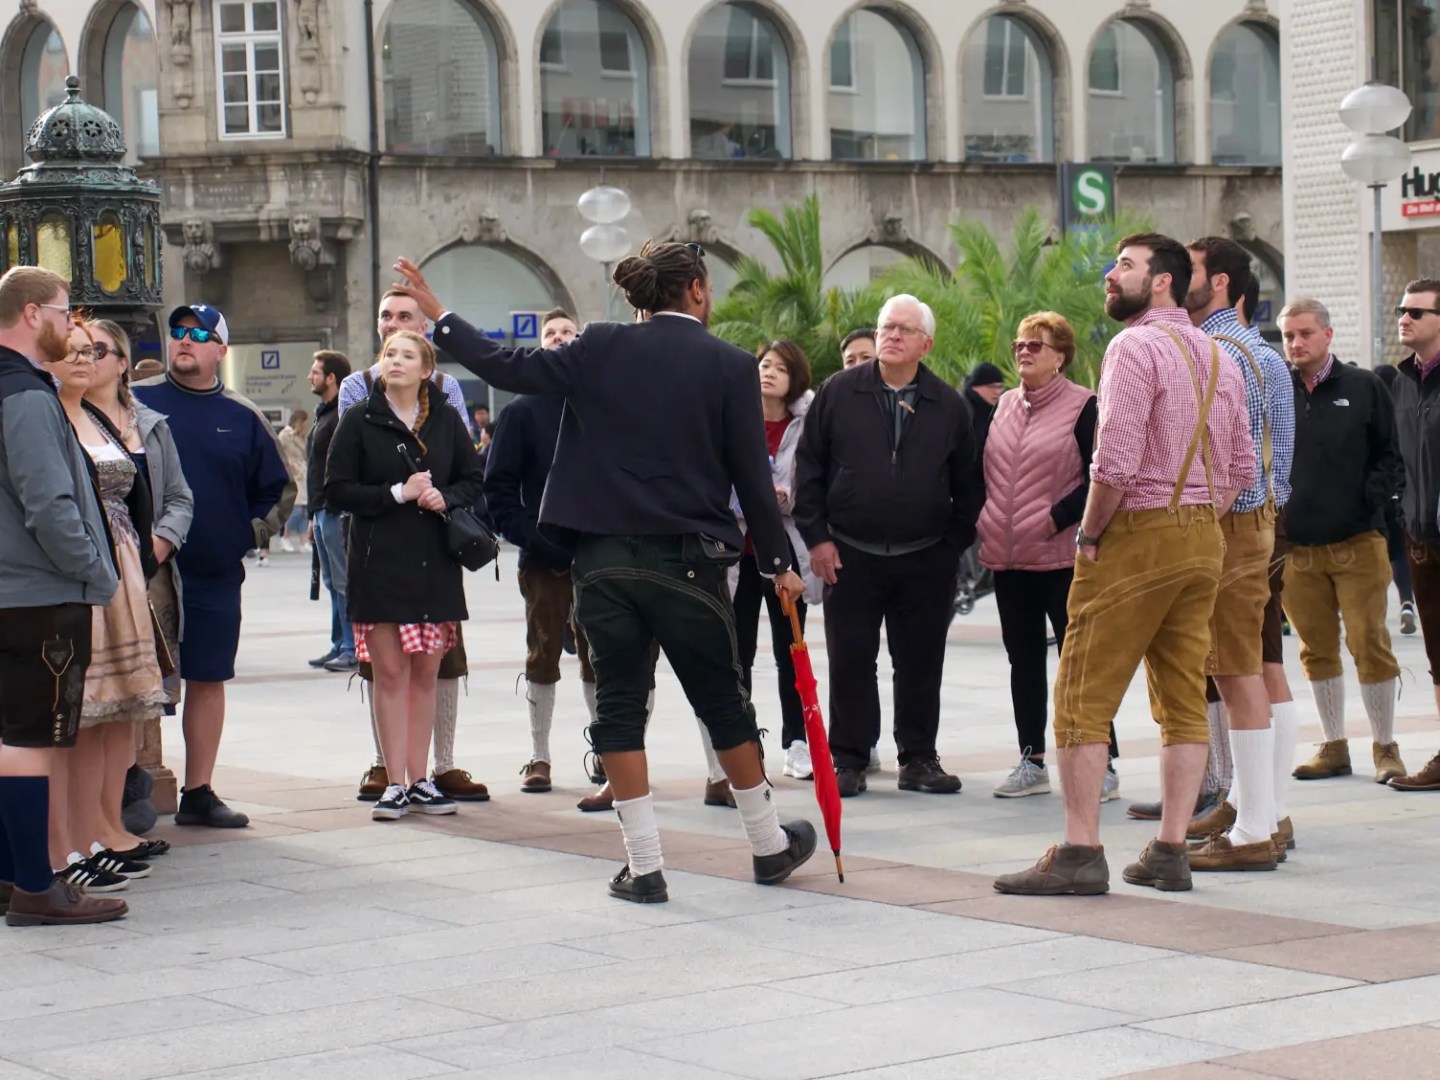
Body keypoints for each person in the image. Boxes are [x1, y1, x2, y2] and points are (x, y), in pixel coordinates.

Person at [392, 240, 817, 904]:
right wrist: (781, 565)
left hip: (602, 562)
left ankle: (643, 866)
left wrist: (440, 314)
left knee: (618, 703)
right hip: (689, 563)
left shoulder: (598, 346)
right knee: (723, 702)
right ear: (698, 290)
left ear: (639, 295)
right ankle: (767, 845)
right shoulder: (730, 365)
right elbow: (751, 482)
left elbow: (506, 368)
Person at [994, 232, 1253, 897]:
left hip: (1137, 528)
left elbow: (1114, 461)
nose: (1112, 274)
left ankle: (1080, 852)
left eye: (1127, 266)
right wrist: (1198, 511)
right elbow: (1241, 467)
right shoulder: (1219, 353)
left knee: (1081, 691)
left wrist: (1089, 534)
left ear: (1161, 281)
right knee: (1182, 696)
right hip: (1203, 536)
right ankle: (1170, 849)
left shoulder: (1134, 346)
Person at [794, 294, 980, 799]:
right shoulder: (838, 392)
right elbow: (808, 471)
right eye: (885, 327)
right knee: (851, 658)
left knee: (920, 660)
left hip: (925, 556)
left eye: (904, 329)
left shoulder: (949, 405)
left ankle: (919, 758)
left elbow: (969, 485)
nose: (891, 336)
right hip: (849, 554)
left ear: (927, 343)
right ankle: (849, 758)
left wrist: (949, 549)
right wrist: (818, 540)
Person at [133, 304, 294, 829]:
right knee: (137, 680)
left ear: (220, 351)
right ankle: (123, 791)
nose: (185, 339)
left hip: (214, 571)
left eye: (200, 334)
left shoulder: (243, 416)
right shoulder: (137, 402)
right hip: (145, 572)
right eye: (179, 331)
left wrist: (248, 534)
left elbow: (278, 488)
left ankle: (198, 791)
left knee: (207, 676)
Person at [0, 265, 125, 926]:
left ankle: (9, 875)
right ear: (30, 315)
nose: (70, 324)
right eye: (63, 310)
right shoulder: (23, 394)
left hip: (12, 590)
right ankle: (35, 886)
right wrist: (95, 574)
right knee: (28, 739)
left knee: (9, 736)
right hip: (36, 595)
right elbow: (49, 505)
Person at [325, 330, 485, 822]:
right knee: (390, 674)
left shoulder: (446, 420)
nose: (395, 361)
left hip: (435, 562)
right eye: (389, 354)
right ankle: (395, 780)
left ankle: (421, 779)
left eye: (407, 355)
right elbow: (335, 491)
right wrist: (397, 493)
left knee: (426, 676)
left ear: (426, 369)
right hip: (378, 563)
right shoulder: (357, 419)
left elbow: (473, 479)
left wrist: (446, 497)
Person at [1177, 236, 1297, 872]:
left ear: (1219, 282)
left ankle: (1254, 827)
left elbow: (1227, 456)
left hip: (1231, 521)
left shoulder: (1218, 350)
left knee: (1235, 669)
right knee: (1252, 665)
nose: (1178, 279)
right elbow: (1279, 456)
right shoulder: (1261, 351)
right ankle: (1264, 810)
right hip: (1262, 521)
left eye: (1189, 270)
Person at [41, 322, 165, 892]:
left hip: (125, 570)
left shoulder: (94, 417)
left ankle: (95, 830)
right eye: (70, 349)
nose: (83, 358)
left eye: (91, 349)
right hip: (84, 575)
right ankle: (62, 843)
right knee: (75, 718)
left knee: (110, 716)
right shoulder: (46, 415)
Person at [978, 313, 1117, 799]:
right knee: (1023, 660)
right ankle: (1031, 760)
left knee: (1078, 661)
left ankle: (1105, 763)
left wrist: (1055, 518)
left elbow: (1102, 476)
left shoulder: (1085, 407)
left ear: (1061, 356)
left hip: (1062, 556)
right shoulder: (1005, 405)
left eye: (1036, 345)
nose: (1024, 351)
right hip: (1009, 556)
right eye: (1019, 344)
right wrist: (986, 518)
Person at [1278, 299, 1406, 786]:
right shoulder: (1278, 389)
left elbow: (1390, 456)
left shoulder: (1364, 387)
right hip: (1296, 548)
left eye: (1306, 333)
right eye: (1289, 335)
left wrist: (1368, 502)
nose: (1296, 343)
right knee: (1315, 648)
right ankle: (1333, 746)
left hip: (1358, 541)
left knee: (1369, 643)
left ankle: (1385, 746)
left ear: (1327, 335)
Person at [484, 308, 595, 794]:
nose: (559, 338)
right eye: (550, 333)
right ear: (539, 346)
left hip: (600, 553)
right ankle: (539, 755)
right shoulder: (521, 411)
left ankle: (606, 748)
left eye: (568, 332)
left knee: (601, 659)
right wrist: (534, 538)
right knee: (543, 654)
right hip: (543, 555)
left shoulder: (603, 404)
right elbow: (499, 491)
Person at [730, 341, 822, 781]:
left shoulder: (806, 426)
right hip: (736, 553)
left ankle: (797, 742)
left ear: (795, 378)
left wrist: (784, 498)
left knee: (792, 650)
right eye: (764, 364)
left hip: (784, 553)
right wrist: (749, 499)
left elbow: (816, 484)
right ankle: (744, 744)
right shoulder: (736, 414)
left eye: (780, 368)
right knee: (738, 651)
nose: (768, 372)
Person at [1390, 280, 1440, 791]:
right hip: (1422, 538)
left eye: (1416, 312)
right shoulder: (1403, 381)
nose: (1404, 318)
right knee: (1437, 655)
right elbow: (1400, 456)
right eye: (1401, 310)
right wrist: (1403, 508)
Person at [305, 350, 355, 671]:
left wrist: (330, 507)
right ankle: (339, 642)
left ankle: (351, 646)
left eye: (315, 372)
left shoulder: (342, 415)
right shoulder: (323, 413)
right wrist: (312, 515)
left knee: (342, 580)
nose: (310, 376)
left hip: (334, 510)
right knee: (330, 582)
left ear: (331, 378)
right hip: (321, 511)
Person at [1373, 363, 1417, 636]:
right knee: (1400, 554)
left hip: (1377, 497)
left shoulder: (1374, 415)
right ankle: (1407, 603)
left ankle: (1374, 613)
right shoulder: (1405, 413)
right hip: (1400, 495)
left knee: (1376, 554)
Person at [276, 407, 311, 552]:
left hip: (303, 472)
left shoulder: (303, 435)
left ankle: (303, 542)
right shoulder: (285, 434)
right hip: (293, 473)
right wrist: (288, 464)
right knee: (296, 509)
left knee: (304, 509)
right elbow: (277, 450)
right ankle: (285, 537)